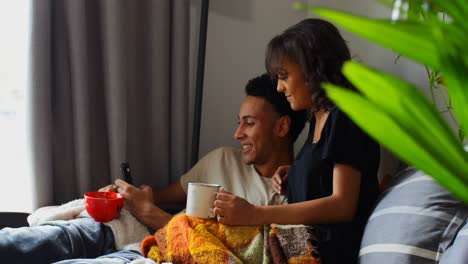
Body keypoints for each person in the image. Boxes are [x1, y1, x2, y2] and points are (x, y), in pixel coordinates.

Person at [0, 74, 307, 264]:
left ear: (281, 126)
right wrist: (131, 196)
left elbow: (224, 255)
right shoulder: (222, 160)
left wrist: (151, 214)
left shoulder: (289, 201)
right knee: (26, 242)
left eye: (249, 124)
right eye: (238, 123)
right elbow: (158, 195)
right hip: (128, 232)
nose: (237, 134)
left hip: (161, 251)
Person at [213, 19, 380, 263]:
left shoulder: (346, 116)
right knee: (194, 227)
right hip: (297, 243)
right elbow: (329, 171)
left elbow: (343, 205)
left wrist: (256, 214)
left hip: (323, 254)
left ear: (312, 70)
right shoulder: (319, 117)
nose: (280, 88)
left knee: (198, 235)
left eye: (284, 76)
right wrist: (297, 172)